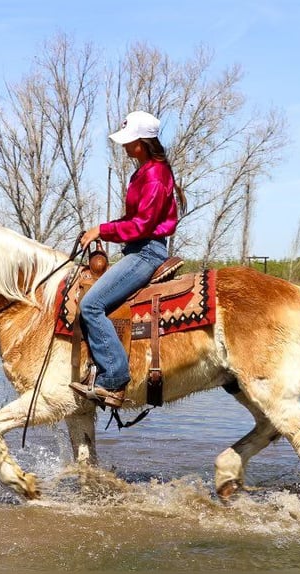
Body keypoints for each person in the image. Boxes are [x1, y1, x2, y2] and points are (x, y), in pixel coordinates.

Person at [69, 111, 186, 409]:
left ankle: (114, 378)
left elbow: (143, 224)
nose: (123, 146)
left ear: (142, 142)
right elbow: (133, 220)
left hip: (146, 251)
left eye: (128, 140)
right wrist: (103, 232)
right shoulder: (145, 170)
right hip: (138, 248)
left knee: (91, 305)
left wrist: (103, 230)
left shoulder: (155, 174)